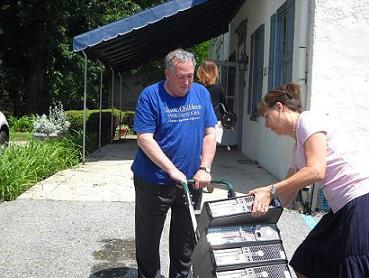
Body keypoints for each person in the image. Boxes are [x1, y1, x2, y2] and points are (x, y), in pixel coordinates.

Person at [250, 83, 369, 278]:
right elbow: (286, 193)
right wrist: (257, 214)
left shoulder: (308, 121)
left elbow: (316, 171)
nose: (266, 125)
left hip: (359, 199)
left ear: (279, 108)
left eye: (267, 117)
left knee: (352, 266)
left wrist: (269, 189)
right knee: (306, 260)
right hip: (341, 208)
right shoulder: (297, 147)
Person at [131, 49, 217, 278]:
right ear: (167, 73)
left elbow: (210, 133)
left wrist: (204, 168)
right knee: (148, 240)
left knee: (185, 242)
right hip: (154, 181)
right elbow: (144, 138)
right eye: (181, 76)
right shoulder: (151, 96)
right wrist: (170, 169)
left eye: (190, 76)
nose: (187, 82)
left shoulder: (200, 93)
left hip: (191, 182)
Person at [196, 59, 227, 144]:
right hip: (215, 121)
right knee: (210, 150)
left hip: (199, 121)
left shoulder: (196, 87)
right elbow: (224, 104)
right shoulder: (218, 86)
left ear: (201, 71)